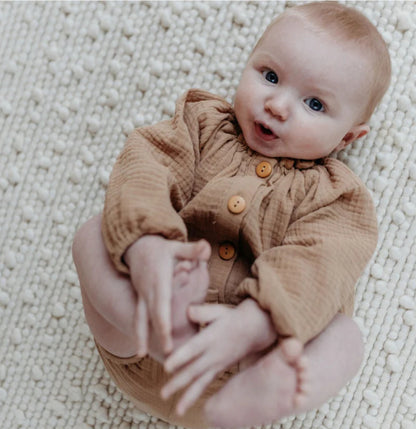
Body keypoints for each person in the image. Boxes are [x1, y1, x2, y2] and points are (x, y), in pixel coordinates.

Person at [72, 2, 391, 428]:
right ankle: (153, 323)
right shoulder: (200, 124)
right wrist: (147, 248)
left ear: (348, 137)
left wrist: (258, 322)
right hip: (140, 345)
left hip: (240, 370)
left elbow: (320, 263)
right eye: (270, 76)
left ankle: (264, 391)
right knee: (91, 236)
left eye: (314, 104)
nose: (278, 105)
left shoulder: (336, 198)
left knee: (345, 340)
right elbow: (145, 167)